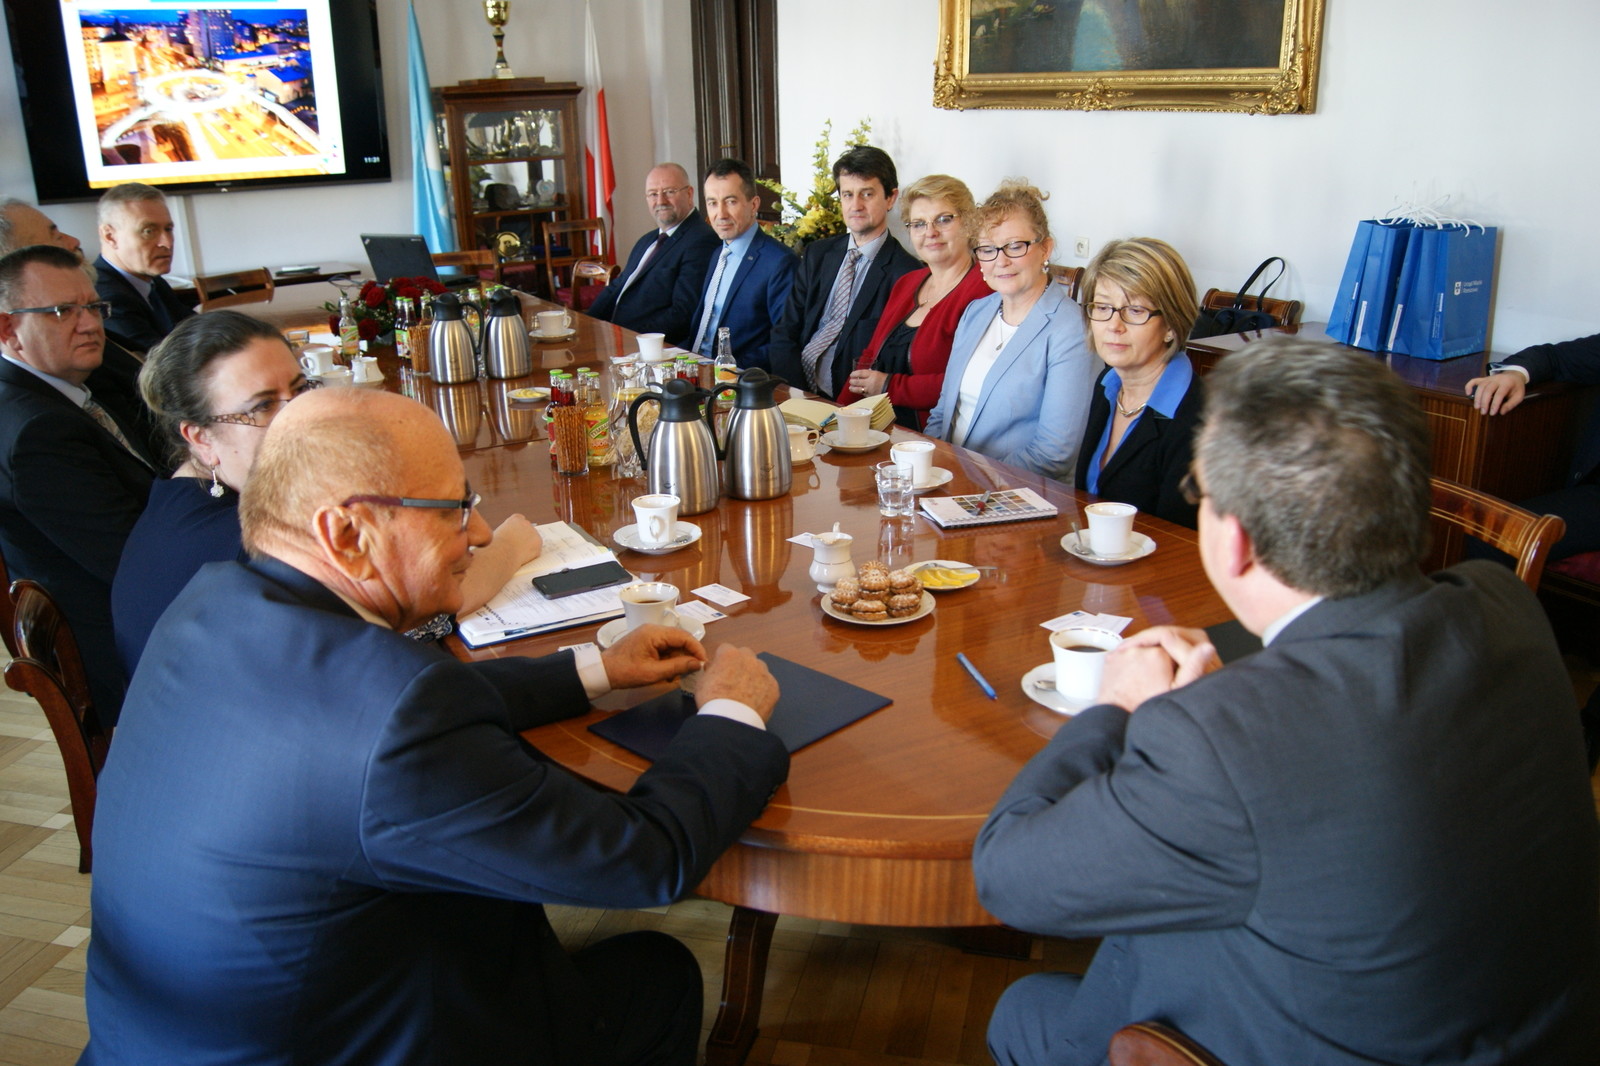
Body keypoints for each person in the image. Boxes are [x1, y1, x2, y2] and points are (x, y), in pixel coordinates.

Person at [82, 386, 792, 1064]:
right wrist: (729, 712)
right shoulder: (401, 721)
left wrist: (598, 668)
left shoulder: (208, 604)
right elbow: (644, 861)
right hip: (349, 1044)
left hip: (166, 1039)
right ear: (347, 533)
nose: (479, 533)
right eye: (455, 509)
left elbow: (385, 708)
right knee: (660, 974)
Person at [975, 336, 1600, 1066]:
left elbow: (1007, 876)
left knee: (1023, 1010)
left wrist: (1113, 708)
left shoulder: (1222, 741)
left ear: (1235, 540)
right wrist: (1234, 712)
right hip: (1544, 1032)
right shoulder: (1503, 603)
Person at [110, 311, 543, 674]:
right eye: (262, 405)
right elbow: (415, 609)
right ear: (200, 437)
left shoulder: (174, 499)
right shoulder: (254, 546)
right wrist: (510, 546)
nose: (298, 413)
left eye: (299, 390)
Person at [0, 245, 157, 725]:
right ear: (8, 329)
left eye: (93, 306)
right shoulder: (38, 432)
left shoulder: (62, 390)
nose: (90, 324)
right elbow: (135, 564)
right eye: (62, 312)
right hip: (127, 650)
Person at [923, 180, 1099, 483]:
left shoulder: (1072, 329)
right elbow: (942, 413)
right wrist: (931, 469)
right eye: (988, 249)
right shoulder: (976, 312)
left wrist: (969, 482)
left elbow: (1053, 453)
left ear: (1045, 248)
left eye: (1015, 246)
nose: (1001, 261)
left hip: (1020, 495)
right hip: (949, 484)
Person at [0, 197, 165, 461]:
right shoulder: (46, 405)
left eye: (93, 308)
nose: (74, 241)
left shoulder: (73, 358)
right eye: (63, 311)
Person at [839, 174, 990, 430]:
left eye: (943, 219)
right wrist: (838, 419)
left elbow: (969, 383)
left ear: (969, 223)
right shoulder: (907, 282)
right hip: (878, 428)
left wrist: (889, 386)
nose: (930, 232)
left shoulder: (984, 289)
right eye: (918, 224)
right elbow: (869, 359)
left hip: (933, 436)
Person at [767, 146, 920, 396]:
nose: (855, 205)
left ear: (890, 198)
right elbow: (785, 331)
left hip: (847, 400)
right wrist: (796, 394)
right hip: (797, 387)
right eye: (848, 195)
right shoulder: (817, 254)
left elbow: (888, 360)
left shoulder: (907, 274)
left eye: (867, 194)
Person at [1074, 238, 1203, 528]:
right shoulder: (1107, 384)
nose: (1114, 326)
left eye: (1135, 311)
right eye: (1102, 307)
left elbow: (1181, 539)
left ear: (1171, 325)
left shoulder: (1197, 418)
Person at [587, 163, 721, 343]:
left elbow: (682, 314)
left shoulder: (701, 240)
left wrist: (630, 338)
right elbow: (617, 287)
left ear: (689, 194)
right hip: (614, 338)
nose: (661, 201)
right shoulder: (647, 240)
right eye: (653, 194)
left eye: (669, 192)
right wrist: (587, 325)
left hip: (646, 346)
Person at [685, 158, 796, 370]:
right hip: (695, 367)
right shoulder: (718, 254)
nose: (720, 214)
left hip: (737, 377)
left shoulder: (779, 262)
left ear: (753, 205)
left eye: (730, 201)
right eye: (712, 203)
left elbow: (783, 343)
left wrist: (725, 369)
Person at [93, 182, 195, 353]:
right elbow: (159, 361)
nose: (167, 243)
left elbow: (196, 327)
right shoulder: (105, 298)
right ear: (110, 236)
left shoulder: (151, 280)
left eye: (168, 229)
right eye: (148, 231)